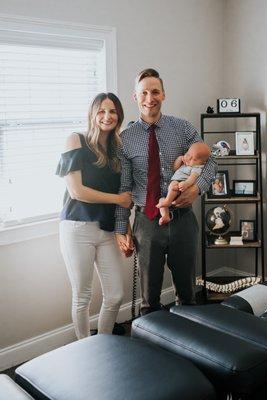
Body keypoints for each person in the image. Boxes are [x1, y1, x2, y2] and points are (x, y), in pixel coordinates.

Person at [115, 68, 217, 315]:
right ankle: (153, 347)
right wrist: (121, 228)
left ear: (164, 95)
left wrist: (197, 190)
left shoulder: (181, 128)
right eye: (144, 93)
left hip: (183, 221)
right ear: (135, 97)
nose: (150, 98)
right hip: (146, 223)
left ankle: (188, 346)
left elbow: (211, 162)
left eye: (155, 92)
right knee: (149, 299)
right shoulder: (125, 138)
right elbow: (124, 187)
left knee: (188, 294)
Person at [56, 93, 133, 340]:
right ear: (92, 113)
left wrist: (126, 230)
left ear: (119, 116)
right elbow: (76, 191)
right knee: (82, 295)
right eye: (101, 111)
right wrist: (118, 200)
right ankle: (85, 348)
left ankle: (105, 341)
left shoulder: (117, 151)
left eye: (112, 112)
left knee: (115, 295)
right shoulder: (75, 140)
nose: (107, 116)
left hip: (107, 229)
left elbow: (123, 194)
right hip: (78, 228)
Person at [156, 142, 211, 225]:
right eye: (188, 154)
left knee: (173, 186)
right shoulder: (185, 165)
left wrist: (186, 184)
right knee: (161, 200)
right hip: (175, 186)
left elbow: (192, 178)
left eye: (194, 159)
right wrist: (180, 159)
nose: (189, 158)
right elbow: (174, 168)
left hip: (181, 186)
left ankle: (168, 201)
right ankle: (165, 215)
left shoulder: (197, 168)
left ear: (201, 163)